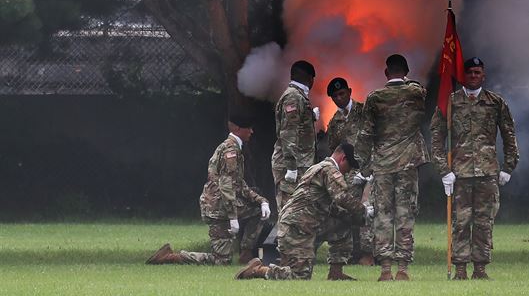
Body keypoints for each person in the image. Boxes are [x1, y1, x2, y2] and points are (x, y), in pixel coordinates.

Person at [430, 56, 519, 280]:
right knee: (461, 221)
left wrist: (508, 166)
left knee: (484, 221)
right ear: (463, 75)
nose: (473, 76)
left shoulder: (495, 102)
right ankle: (460, 268)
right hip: (459, 173)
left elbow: (509, 136)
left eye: (477, 72)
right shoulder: (450, 102)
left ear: (483, 75)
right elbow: (436, 138)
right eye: (469, 73)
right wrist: (443, 170)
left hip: (487, 172)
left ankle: (480, 269)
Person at [146, 114, 271, 265]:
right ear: (237, 128)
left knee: (258, 210)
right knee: (221, 261)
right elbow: (226, 185)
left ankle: (246, 253)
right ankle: (171, 257)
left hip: (221, 205)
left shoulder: (232, 147)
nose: (251, 131)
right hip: (218, 208)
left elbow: (238, 184)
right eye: (248, 128)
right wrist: (233, 217)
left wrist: (261, 201)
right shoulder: (230, 150)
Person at [235, 143, 373, 281]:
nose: (347, 173)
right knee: (299, 276)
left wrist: (358, 217)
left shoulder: (318, 168)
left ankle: (336, 272)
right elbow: (342, 198)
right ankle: (259, 270)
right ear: (343, 159)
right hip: (296, 228)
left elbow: (331, 208)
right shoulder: (329, 170)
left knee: (344, 223)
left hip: (306, 225)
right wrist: (364, 210)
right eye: (348, 168)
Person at [354, 54, 429, 281]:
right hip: (408, 163)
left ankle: (385, 268)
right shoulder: (416, 93)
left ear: (386, 73)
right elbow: (420, 88)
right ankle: (403, 268)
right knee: (405, 215)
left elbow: (365, 133)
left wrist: (362, 165)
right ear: (406, 72)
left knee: (383, 215)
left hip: (383, 164)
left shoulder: (375, 98)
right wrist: (409, 81)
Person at [322, 77, 375, 266]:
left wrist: (369, 170)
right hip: (350, 174)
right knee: (349, 209)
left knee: (367, 207)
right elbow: (334, 150)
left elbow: (376, 140)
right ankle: (353, 252)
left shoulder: (364, 112)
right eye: (335, 96)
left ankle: (369, 254)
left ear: (350, 92)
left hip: (370, 170)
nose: (339, 98)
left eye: (342, 93)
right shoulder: (334, 122)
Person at [271, 60, 318, 212]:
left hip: (299, 163)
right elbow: (288, 132)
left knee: (299, 212)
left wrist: (311, 117)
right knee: (289, 212)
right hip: (292, 165)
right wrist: (291, 167)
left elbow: (297, 125)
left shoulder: (297, 96)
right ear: (310, 78)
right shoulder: (294, 97)